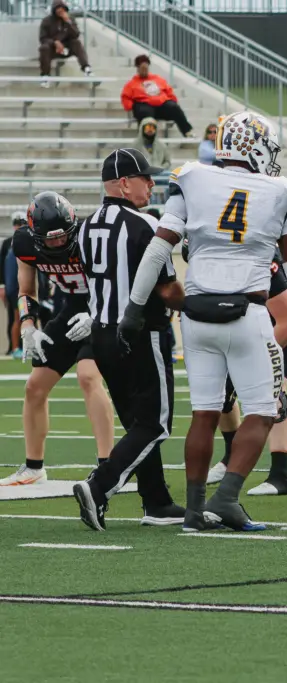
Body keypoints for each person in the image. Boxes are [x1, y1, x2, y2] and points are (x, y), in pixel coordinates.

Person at [118, 111, 287, 531]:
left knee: (204, 413)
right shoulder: (281, 191)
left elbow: (159, 249)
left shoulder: (192, 177)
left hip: (196, 315)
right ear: (253, 145)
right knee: (263, 411)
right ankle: (225, 498)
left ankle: (193, 511)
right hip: (248, 313)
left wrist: (133, 309)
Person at [71, 148, 187, 530]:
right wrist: (197, 303)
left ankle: (157, 501)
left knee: (138, 423)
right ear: (124, 183)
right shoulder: (145, 224)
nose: (151, 184)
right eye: (144, 178)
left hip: (101, 335)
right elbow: (167, 289)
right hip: (140, 333)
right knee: (154, 424)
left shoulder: (85, 227)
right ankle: (99, 486)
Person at [0, 192, 114, 488]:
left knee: (88, 376)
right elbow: (27, 290)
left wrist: (98, 316)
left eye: (63, 235)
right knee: (34, 386)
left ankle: (108, 467)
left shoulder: (91, 236)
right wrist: (28, 325)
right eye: (51, 239)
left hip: (102, 309)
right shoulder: (24, 243)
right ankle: (34, 467)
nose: (59, 242)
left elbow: (116, 281)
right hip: (71, 309)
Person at [200, 247, 287, 496]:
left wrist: (251, 360)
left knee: (274, 384)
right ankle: (231, 457)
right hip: (261, 310)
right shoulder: (214, 257)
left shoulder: (257, 255)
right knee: (223, 385)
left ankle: (281, 475)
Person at [121, 54, 192, 138]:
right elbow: (125, 97)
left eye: (146, 68)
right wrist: (131, 106)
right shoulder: (131, 84)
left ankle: (187, 132)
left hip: (161, 105)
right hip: (144, 105)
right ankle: (147, 138)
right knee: (145, 113)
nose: (144, 71)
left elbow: (169, 91)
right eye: (142, 68)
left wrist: (172, 100)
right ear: (137, 69)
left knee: (174, 107)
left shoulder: (158, 79)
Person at [38, 0, 91, 88]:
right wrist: (54, 42)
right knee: (44, 48)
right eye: (58, 8)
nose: (60, 10)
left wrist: (68, 21)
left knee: (76, 43)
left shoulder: (70, 19)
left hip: (66, 48)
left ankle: (86, 68)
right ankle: (45, 76)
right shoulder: (47, 21)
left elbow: (76, 35)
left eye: (62, 8)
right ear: (54, 10)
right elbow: (42, 38)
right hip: (52, 49)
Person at [1, 211, 28, 357]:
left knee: (26, 319)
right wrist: (3, 287)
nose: (19, 226)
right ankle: (15, 347)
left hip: (22, 288)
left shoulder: (23, 243)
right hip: (17, 289)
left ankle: (24, 347)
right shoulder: (11, 245)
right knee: (17, 318)